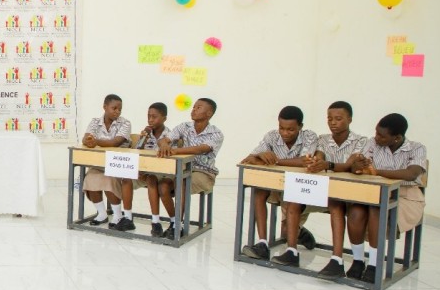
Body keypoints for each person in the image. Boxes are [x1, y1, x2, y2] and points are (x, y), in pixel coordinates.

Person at [344, 113, 426, 284]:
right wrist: (356, 166)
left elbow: (411, 174)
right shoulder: (372, 143)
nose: (376, 137)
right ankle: (358, 261)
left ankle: (374, 264)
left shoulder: (416, 148)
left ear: (397, 138)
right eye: (376, 132)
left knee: (377, 209)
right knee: (355, 212)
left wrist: (377, 172)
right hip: (373, 192)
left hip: (405, 196)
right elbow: (358, 167)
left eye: (382, 135)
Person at [239, 106, 320, 267]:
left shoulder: (309, 136)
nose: (285, 133)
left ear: (300, 126)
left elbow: (305, 161)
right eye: (281, 128)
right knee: (259, 191)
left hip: (298, 188)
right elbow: (249, 159)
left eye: (291, 129)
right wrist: (259, 155)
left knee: (286, 231)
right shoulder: (271, 136)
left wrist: (274, 160)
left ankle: (299, 233)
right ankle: (262, 244)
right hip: (277, 186)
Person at [304, 101, 367, 279]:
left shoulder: (361, 141)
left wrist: (328, 165)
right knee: (332, 202)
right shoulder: (323, 139)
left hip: (353, 192)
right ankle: (335, 259)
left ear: (350, 119)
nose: (333, 122)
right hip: (328, 192)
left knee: (341, 206)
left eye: (338, 119)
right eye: (329, 118)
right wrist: (316, 162)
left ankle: (349, 259)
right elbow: (319, 157)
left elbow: (350, 165)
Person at [157, 97, 224, 238]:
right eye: (193, 107)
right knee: (163, 185)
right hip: (183, 169)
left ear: (209, 113)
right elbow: (165, 139)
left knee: (182, 182)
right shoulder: (184, 126)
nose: (193, 110)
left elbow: (200, 149)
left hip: (204, 172)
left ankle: (178, 225)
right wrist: (164, 145)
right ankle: (175, 222)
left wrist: (174, 151)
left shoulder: (216, 134)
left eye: (198, 107)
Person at [81, 94, 134, 230]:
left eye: (120, 109)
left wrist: (96, 141)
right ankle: (102, 214)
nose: (117, 112)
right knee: (91, 177)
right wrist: (87, 140)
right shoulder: (95, 122)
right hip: (99, 163)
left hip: (118, 164)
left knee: (108, 179)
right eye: (114, 108)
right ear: (105, 107)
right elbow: (86, 138)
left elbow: (115, 142)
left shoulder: (125, 123)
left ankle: (118, 215)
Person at [135, 102, 172, 236]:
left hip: (163, 172)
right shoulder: (146, 134)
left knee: (152, 179)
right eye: (148, 116)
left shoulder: (170, 135)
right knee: (146, 178)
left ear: (164, 118)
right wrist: (142, 141)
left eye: (154, 117)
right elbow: (137, 153)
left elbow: (168, 158)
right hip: (147, 171)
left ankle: (158, 221)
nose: (150, 120)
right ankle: (126, 217)